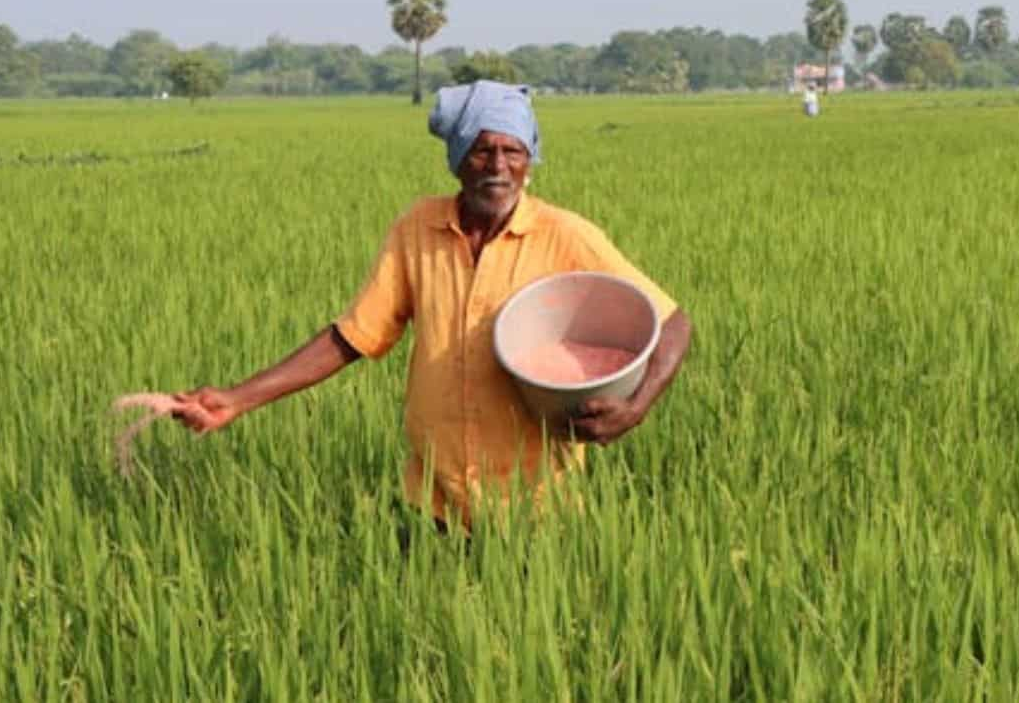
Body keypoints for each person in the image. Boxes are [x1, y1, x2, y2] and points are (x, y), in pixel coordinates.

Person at [171, 80, 692, 529]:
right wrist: (238, 399)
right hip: (434, 501)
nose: (498, 167)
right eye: (483, 150)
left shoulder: (564, 235)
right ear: (457, 157)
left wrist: (636, 408)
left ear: (530, 158)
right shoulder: (418, 228)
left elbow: (672, 322)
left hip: (538, 506)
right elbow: (353, 335)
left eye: (513, 151)